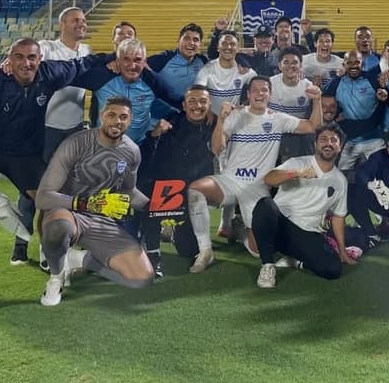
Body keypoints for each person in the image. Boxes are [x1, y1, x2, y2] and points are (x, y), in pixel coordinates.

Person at [0, 38, 108, 291]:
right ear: (9, 59)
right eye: (19, 57)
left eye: (32, 57)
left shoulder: (49, 73)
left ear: (40, 59)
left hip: (24, 153)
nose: (26, 63)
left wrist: (113, 59)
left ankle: (52, 259)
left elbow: (81, 64)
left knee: (50, 201)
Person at [185, 76, 321, 273]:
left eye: (264, 90)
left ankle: (240, 229)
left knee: (258, 251)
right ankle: (205, 251)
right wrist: (222, 119)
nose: (260, 93)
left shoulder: (278, 119)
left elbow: (311, 126)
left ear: (270, 94)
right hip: (230, 180)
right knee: (195, 190)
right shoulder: (235, 115)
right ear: (248, 94)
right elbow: (216, 148)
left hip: (257, 187)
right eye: (255, 90)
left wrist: (317, 100)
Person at [36, 96, 153, 306]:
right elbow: (44, 196)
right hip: (68, 212)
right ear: (101, 116)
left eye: (123, 117)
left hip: (101, 220)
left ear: (130, 120)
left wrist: (155, 206)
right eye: (112, 115)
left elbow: (128, 191)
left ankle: (78, 260)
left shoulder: (132, 151)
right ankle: (56, 277)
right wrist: (86, 204)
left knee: (141, 278)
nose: (117, 121)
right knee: (58, 228)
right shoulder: (76, 143)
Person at [11, 6, 91, 269]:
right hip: (46, 128)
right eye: (75, 20)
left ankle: (54, 245)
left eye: (83, 20)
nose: (81, 24)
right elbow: (26, 61)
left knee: (66, 189)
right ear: (62, 25)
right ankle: (21, 243)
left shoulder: (86, 50)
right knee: (34, 187)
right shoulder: (47, 47)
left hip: (75, 127)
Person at [252, 123, 356, 288]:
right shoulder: (297, 163)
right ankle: (267, 265)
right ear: (315, 144)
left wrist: (342, 250)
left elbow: (338, 216)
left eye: (333, 140)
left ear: (340, 146)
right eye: (323, 139)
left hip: (307, 232)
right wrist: (296, 174)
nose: (328, 143)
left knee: (333, 270)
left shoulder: (340, 181)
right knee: (265, 205)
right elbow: (269, 179)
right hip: (280, 225)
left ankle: (297, 261)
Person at [137, 85, 217, 277]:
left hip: (193, 191)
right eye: (192, 101)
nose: (197, 106)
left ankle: (173, 232)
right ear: (183, 105)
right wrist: (155, 134)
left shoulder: (215, 125)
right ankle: (153, 255)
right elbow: (147, 154)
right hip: (165, 186)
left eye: (203, 101)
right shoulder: (170, 124)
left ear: (210, 104)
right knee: (151, 198)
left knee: (188, 249)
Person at [324, 50, 389, 178]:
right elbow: (324, 102)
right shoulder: (336, 83)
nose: (354, 65)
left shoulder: (372, 79)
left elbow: (386, 97)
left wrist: (385, 95)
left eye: (357, 62)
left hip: (374, 139)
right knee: (341, 177)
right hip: (350, 141)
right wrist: (336, 114)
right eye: (349, 62)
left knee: (382, 175)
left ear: (362, 63)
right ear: (344, 65)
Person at [270, 47, 319, 160]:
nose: (290, 66)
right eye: (286, 62)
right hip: (274, 134)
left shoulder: (308, 86)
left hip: (299, 133)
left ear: (300, 66)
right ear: (279, 65)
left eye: (295, 62)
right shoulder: (270, 84)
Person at [194, 30, 257, 115]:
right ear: (217, 47)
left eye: (232, 44)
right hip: (212, 120)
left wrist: (244, 105)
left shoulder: (244, 70)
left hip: (234, 121)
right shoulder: (207, 69)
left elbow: (259, 89)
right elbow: (198, 91)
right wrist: (206, 109)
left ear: (237, 48)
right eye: (224, 43)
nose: (228, 47)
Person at [147, 23, 209, 101]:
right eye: (187, 38)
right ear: (178, 40)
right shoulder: (162, 59)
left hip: (194, 110)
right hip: (168, 111)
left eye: (195, 40)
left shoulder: (202, 61)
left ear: (200, 45)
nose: (191, 43)